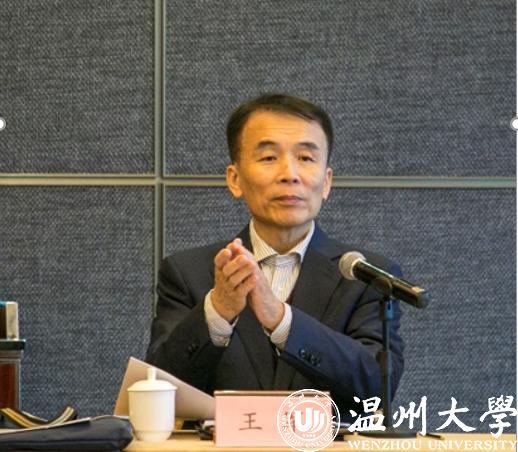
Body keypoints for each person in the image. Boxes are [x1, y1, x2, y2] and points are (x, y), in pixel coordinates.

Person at [146, 93, 404, 415]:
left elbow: (376, 389)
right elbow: (158, 391)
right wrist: (217, 313)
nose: (289, 174)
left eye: (306, 158)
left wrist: (283, 321)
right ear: (235, 179)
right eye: (269, 158)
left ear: (326, 182)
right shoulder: (187, 273)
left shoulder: (367, 276)